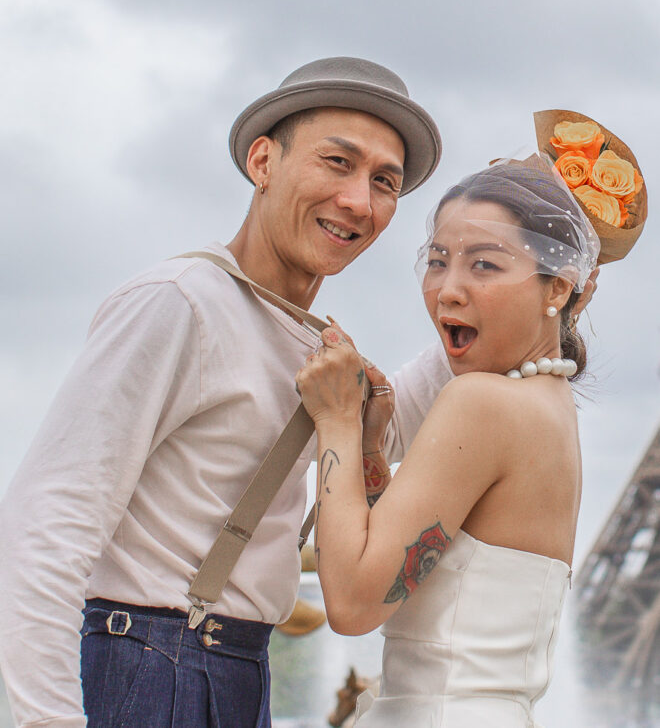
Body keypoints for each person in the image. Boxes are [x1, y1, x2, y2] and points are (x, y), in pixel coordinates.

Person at [0, 57, 450, 728]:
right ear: (263, 161)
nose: (360, 200)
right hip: (152, 663)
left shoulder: (314, 344)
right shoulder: (179, 303)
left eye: (383, 181)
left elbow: (408, 426)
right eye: (337, 162)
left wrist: (533, 281)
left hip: (239, 670)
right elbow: (45, 527)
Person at [296, 156, 601, 727]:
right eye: (437, 261)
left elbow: (354, 602)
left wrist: (336, 418)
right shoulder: (549, 408)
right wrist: (366, 449)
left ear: (557, 288)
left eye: (484, 265)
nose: (447, 290)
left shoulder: (483, 403)